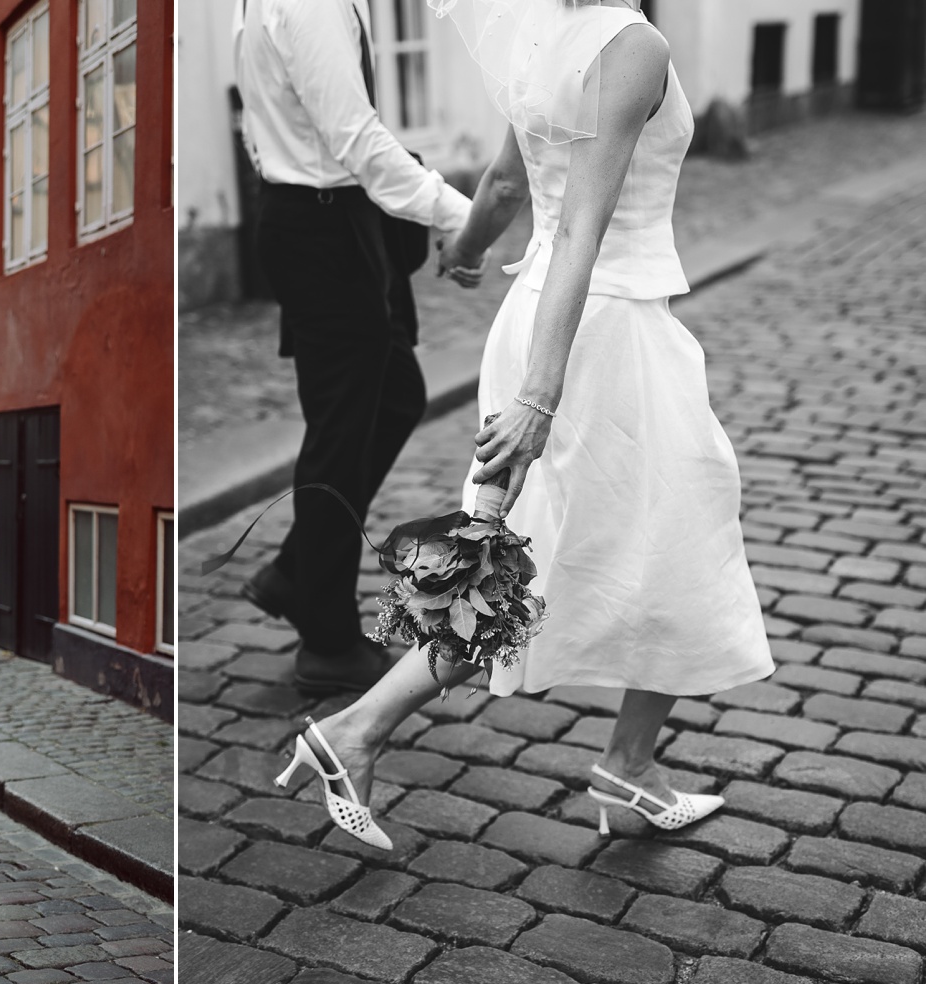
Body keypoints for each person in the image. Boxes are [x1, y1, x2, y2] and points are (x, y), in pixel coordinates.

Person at [280, 0, 774, 848]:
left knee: (660, 531)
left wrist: (466, 248)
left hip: (543, 314)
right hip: (598, 331)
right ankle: (356, 729)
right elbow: (583, 229)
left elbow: (508, 182)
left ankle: (631, 766)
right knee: (524, 566)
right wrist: (540, 400)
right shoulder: (632, 44)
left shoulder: (542, 36)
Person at [232, 0, 484, 695]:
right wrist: (467, 218)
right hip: (323, 227)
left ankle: (295, 569)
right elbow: (359, 141)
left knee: (397, 395)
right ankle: (327, 640)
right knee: (340, 437)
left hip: (333, 219)